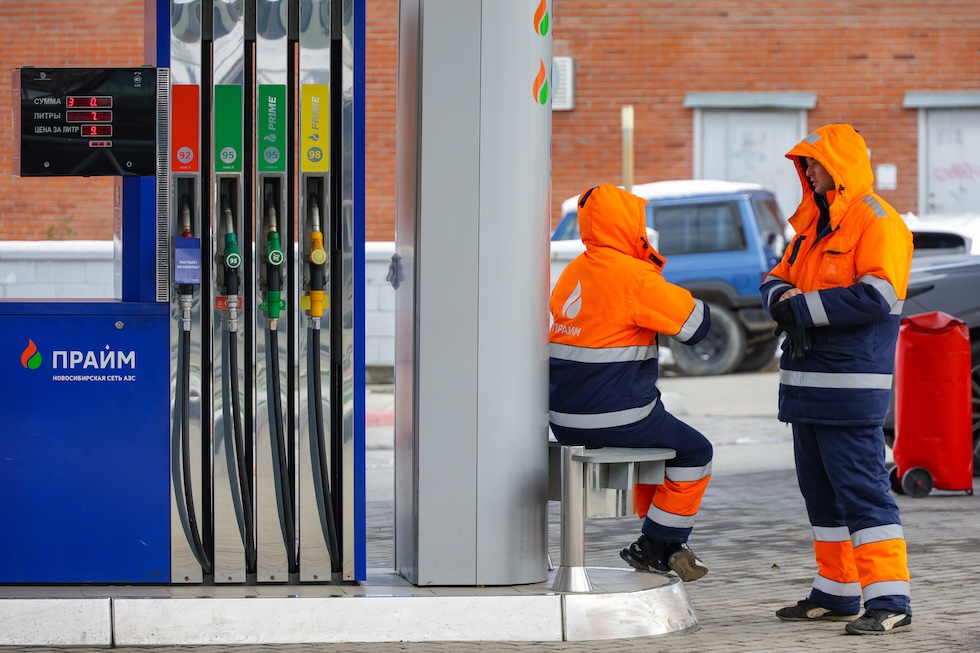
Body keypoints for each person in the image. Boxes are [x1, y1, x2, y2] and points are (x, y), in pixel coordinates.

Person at [761, 124, 914, 635]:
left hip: (849, 386)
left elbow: (877, 296)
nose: (807, 170)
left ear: (839, 167)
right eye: (804, 163)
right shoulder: (814, 226)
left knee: (863, 494)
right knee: (822, 496)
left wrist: (796, 308)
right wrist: (780, 301)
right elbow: (774, 278)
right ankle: (838, 593)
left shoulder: (877, 222)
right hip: (807, 387)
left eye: (815, 162)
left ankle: (890, 600)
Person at [548, 182, 713, 582]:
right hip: (618, 414)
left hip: (563, 416)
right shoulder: (634, 277)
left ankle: (660, 545)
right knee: (695, 452)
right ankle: (657, 543)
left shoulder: (575, 270)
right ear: (628, 225)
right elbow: (697, 326)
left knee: (664, 440)